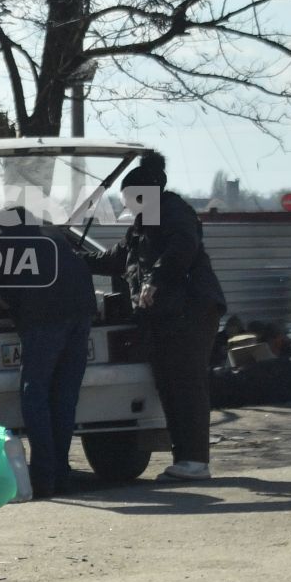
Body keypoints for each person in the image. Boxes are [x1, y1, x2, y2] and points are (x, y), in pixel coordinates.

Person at [89, 151, 225, 482]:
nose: (126, 204)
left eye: (129, 198)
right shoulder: (143, 223)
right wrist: (71, 258)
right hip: (166, 317)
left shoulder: (173, 212)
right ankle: (186, 460)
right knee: (170, 385)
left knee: (186, 385)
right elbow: (116, 259)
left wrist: (154, 280)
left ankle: (194, 461)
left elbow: (182, 248)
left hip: (189, 312)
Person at [0, 206, 96, 497]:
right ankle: (62, 474)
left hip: (45, 319)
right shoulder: (52, 233)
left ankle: (44, 477)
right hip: (83, 313)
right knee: (65, 396)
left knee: (36, 394)